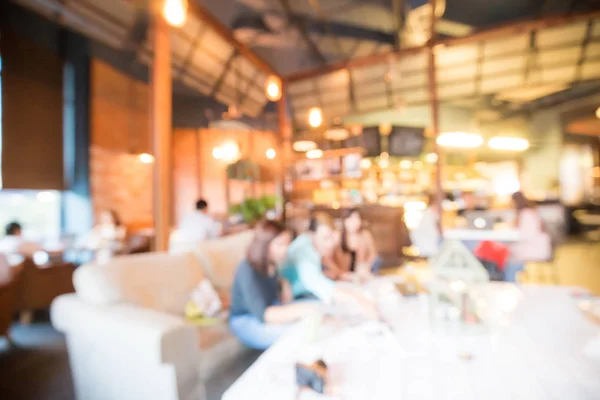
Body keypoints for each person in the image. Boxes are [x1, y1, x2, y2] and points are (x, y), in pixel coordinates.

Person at [229, 220, 317, 350]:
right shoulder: (247, 269)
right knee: (295, 333)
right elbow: (264, 314)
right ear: (265, 245)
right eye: (280, 244)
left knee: (313, 309)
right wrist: (300, 310)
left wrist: (284, 284)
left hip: (270, 308)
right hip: (246, 319)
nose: (286, 249)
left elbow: (283, 299)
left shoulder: (273, 263)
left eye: (287, 244)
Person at [281, 212, 378, 316]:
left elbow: (331, 272)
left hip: (302, 295)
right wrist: (360, 301)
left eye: (331, 237)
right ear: (311, 235)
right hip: (288, 303)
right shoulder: (303, 252)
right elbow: (320, 285)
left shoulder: (310, 244)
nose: (330, 244)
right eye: (325, 238)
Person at [506, 191, 552, 282]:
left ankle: (510, 283)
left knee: (508, 258)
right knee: (506, 253)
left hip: (534, 249)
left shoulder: (527, 214)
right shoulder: (528, 212)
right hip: (533, 246)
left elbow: (525, 235)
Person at [328, 208, 380, 279]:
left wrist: (367, 266)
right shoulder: (337, 236)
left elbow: (373, 254)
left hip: (361, 274)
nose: (354, 222)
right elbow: (327, 258)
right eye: (350, 219)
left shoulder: (365, 235)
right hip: (342, 275)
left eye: (357, 219)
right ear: (344, 221)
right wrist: (339, 273)